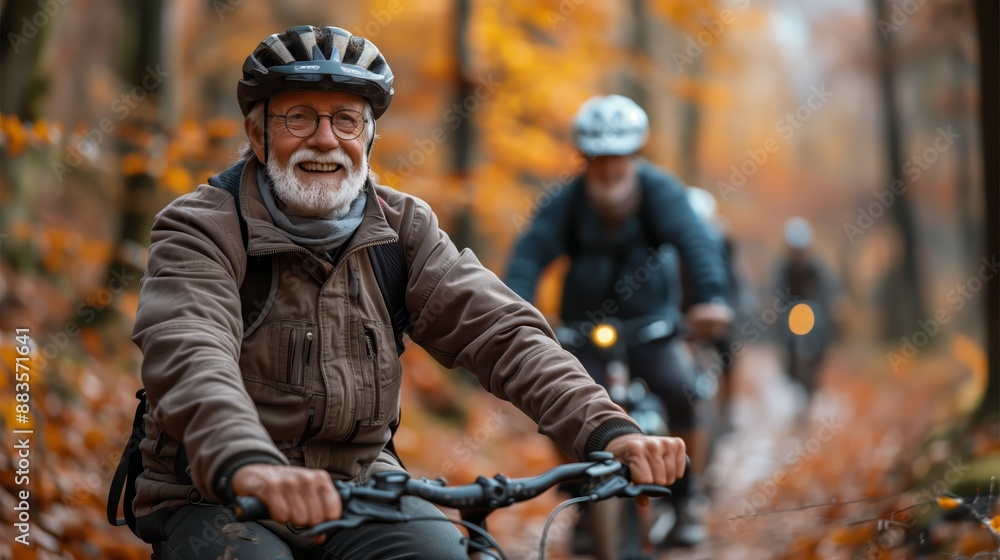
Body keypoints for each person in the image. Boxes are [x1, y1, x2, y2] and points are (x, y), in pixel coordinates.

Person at [129, 26, 687, 560]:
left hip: (362, 483)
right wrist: (245, 462)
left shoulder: (402, 229)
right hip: (215, 491)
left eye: (347, 120)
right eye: (298, 117)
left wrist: (606, 429)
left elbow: (504, 334)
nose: (326, 139)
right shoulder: (201, 229)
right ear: (258, 133)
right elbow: (190, 352)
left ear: (369, 137)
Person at [503, 95, 732, 547]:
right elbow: (529, 253)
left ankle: (687, 497)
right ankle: (583, 500)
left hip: (652, 325)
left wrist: (710, 299)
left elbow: (696, 242)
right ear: (584, 159)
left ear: (634, 156)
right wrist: (515, 307)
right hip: (581, 328)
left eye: (619, 160)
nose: (609, 171)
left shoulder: (660, 191)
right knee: (559, 403)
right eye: (598, 161)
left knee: (680, 391)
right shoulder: (566, 201)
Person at [772, 217, 841, 407]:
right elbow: (777, 290)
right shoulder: (784, 267)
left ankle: (816, 370)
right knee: (785, 334)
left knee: (822, 333)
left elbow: (827, 289)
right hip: (791, 310)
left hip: (812, 309)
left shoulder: (815, 266)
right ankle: (790, 369)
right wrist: (777, 308)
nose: (798, 254)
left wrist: (833, 306)